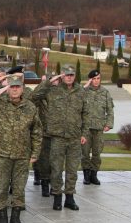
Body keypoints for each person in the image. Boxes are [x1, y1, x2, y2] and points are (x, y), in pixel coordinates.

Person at [0, 74, 42, 223]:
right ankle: (2, 218)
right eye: (11, 87)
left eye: (17, 87)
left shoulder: (30, 107)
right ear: (7, 89)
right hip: (2, 153)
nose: (14, 90)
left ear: (22, 89)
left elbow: (36, 131)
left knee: (19, 188)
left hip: (22, 154)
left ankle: (16, 218)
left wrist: (35, 153)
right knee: (1, 187)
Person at [31, 65, 88, 211]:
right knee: (56, 169)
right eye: (66, 75)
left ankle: (69, 197)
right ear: (62, 76)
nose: (69, 77)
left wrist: (84, 133)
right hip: (57, 137)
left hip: (75, 137)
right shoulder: (53, 90)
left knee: (72, 170)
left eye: (71, 75)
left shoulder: (80, 91)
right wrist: (48, 82)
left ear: (75, 76)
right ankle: (57, 196)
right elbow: (33, 97)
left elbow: (85, 113)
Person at [82, 70, 114, 185]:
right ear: (90, 80)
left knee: (97, 153)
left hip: (99, 128)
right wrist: (85, 86)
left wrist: (109, 124)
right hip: (86, 128)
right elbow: (76, 98)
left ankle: (93, 174)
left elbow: (110, 110)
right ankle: (86, 175)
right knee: (85, 153)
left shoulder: (105, 92)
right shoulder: (84, 92)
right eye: (94, 79)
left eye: (98, 78)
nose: (96, 81)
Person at [32, 73, 60, 197]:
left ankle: (55, 185)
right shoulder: (41, 94)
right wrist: (45, 84)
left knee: (56, 161)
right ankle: (44, 183)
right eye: (52, 80)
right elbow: (33, 97)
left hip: (58, 133)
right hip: (44, 132)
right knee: (43, 160)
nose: (54, 82)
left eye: (56, 80)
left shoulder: (62, 93)